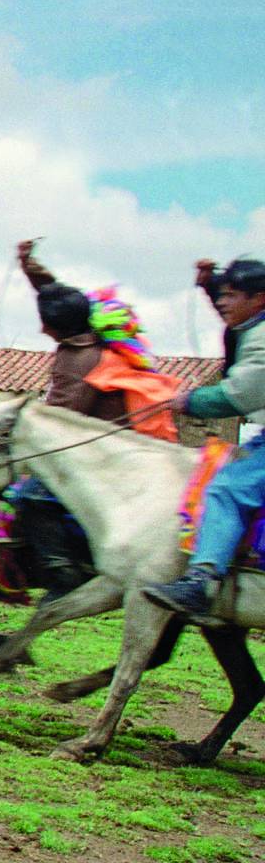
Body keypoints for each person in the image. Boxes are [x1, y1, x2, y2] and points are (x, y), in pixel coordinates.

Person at [14, 239, 179, 599]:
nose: (42, 330)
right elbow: (61, 296)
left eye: (44, 325)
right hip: (128, 443)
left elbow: (60, 419)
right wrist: (31, 269)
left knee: (30, 497)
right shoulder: (92, 330)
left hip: (107, 452)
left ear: (52, 328)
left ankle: (63, 571)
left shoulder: (78, 363)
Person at [143, 259, 265, 621]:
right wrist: (209, 285)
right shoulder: (253, 324)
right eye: (220, 296)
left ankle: (202, 582)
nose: (222, 303)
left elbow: (242, 393)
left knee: (227, 487)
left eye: (230, 296)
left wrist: (189, 400)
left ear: (259, 299)